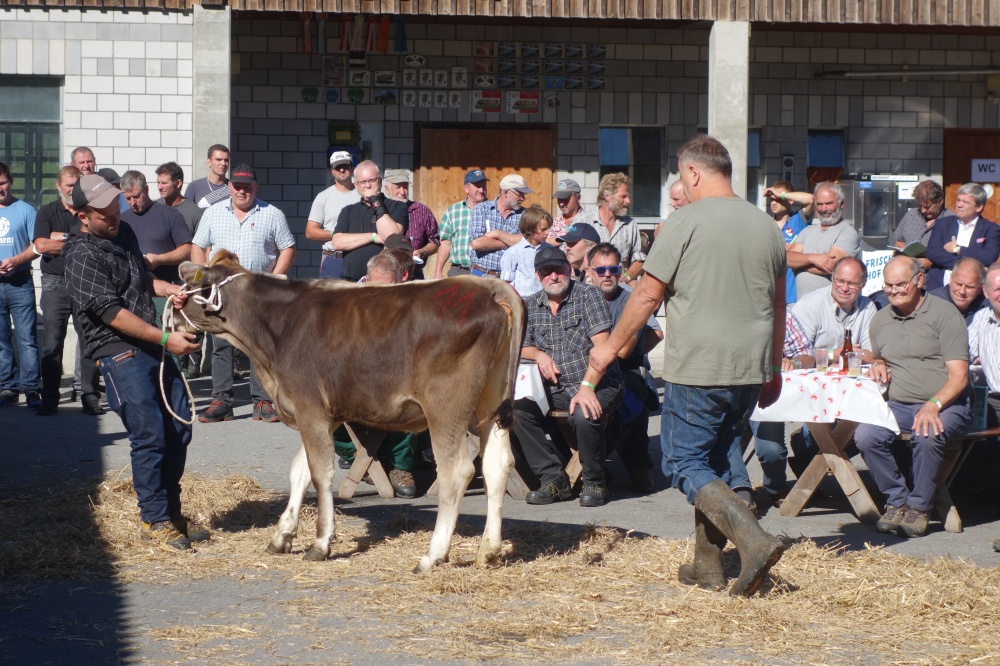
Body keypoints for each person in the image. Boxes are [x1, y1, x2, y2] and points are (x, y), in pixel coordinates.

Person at [589, 135, 786, 597]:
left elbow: (646, 294)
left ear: (693, 173)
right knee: (716, 462)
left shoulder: (683, 222)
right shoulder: (767, 227)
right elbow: (779, 304)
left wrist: (611, 347)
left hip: (700, 365)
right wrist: (773, 366)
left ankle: (752, 539)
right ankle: (707, 565)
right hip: (750, 367)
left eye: (681, 176)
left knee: (683, 462)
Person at [63, 173, 205, 550]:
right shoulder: (80, 254)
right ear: (82, 216)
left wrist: (168, 288)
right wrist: (166, 339)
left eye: (116, 209)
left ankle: (171, 513)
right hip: (118, 350)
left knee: (179, 427)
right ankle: (154, 520)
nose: (115, 218)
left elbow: (140, 276)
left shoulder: (122, 231)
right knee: (150, 434)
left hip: (149, 342)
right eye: (105, 215)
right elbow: (112, 314)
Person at [858, 256, 972, 538]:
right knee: (866, 435)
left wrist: (933, 405)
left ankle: (920, 508)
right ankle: (897, 500)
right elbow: (880, 356)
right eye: (888, 285)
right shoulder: (880, 319)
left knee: (927, 432)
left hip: (947, 404)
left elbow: (960, 376)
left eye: (901, 284)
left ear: (919, 280)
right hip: (899, 404)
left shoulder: (945, 315)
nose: (893, 290)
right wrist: (878, 364)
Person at [750, 257, 877, 503]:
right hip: (803, 389)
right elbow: (806, 354)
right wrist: (836, 354)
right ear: (832, 279)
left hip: (840, 386)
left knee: (856, 429)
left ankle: (807, 458)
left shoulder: (868, 307)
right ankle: (774, 484)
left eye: (852, 283)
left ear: (863, 284)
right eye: (839, 281)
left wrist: (829, 356)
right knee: (774, 448)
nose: (844, 287)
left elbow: (871, 354)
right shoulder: (810, 305)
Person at [513, 245, 622, 507]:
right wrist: (539, 355)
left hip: (598, 381)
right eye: (546, 271)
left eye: (558, 269)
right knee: (516, 411)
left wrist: (586, 387)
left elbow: (603, 348)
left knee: (584, 412)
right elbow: (522, 347)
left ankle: (595, 482)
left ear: (569, 270)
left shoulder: (589, 296)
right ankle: (553, 479)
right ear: (538, 275)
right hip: (554, 388)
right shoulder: (530, 304)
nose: (553, 276)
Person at [191, 164, 296, 423]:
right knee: (221, 347)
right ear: (229, 187)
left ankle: (262, 401)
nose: (242, 191)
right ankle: (221, 402)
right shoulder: (213, 213)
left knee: (260, 348)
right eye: (237, 186)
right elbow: (197, 246)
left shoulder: (272, 214)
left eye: (247, 186)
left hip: (258, 294)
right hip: (222, 294)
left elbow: (288, 247)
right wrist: (201, 281)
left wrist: (273, 279)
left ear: (255, 187)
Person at [587, 242, 663, 493]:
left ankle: (638, 467)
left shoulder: (631, 299)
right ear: (589, 272)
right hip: (586, 371)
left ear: (621, 271)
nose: (607, 275)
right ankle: (583, 466)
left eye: (613, 269)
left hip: (624, 369)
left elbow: (625, 350)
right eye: (601, 270)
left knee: (631, 400)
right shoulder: (579, 298)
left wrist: (636, 351)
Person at [32, 165, 105, 415]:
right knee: (52, 343)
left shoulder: (89, 211)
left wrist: (60, 238)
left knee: (88, 342)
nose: (72, 190)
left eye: (76, 185)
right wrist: (76, 241)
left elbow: (96, 243)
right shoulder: (47, 211)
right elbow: (42, 245)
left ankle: (89, 395)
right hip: (55, 282)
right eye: (68, 185)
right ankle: (50, 397)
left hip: (85, 281)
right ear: (58, 186)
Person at [120, 170, 193, 328]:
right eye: (128, 198)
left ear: (146, 189)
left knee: (168, 337)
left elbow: (187, 250)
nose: (133, 203)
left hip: (168, 293)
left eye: (136, 196)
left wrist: (159, 259)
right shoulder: (122, 221)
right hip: (135, 294)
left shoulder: (170, 215)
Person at [0, 162, 41, 409]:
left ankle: (32, 387)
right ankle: (8, 387)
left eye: (3, 183)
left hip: (20, 281)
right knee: (1, 340)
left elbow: (37, 246)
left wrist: (16, 261)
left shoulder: (26, 210)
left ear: (10, 182)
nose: (0, 189)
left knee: (27, 338)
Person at [330, 161, 408, 282]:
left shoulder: (397, 206)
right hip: (352, 281)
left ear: (380, 181)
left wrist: (374, 200)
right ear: (356, 185)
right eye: (363, 182)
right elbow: (337, 242)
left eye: (372, 180)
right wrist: (373, 237)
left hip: (384, 281)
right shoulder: (348, 211)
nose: (368, 186)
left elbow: (391, 236)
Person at [786, 181, 862, 299]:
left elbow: (831, 267)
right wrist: (813, 258)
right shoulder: (808, 231)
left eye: (829, 203)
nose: (824, 209)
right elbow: (787, 258)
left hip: (829, 306)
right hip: (802, 304)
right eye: (820, 204)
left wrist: (798, 264)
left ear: (841, 204)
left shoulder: (848, 233)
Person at [925, 183, 1000, 291]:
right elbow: (933, 252)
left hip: (972, 292)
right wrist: (968, 266)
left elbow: (988, 257)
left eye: (965, 202)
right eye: (958, 200)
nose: (959, 205)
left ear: (979, 207)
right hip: (939, 288)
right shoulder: (943, 224)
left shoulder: (991, 229)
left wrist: (957, 249)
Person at [577, 172, 645, 284]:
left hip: (619, 290)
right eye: (623, 197)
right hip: (589, 289)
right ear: (607, 196)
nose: (628, 201)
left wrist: (625, 278)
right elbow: (567, 254)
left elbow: (640, 260)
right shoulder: (583, 221)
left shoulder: (630, 225)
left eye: (628, 197)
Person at [304, 150, 361, 278]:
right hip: (333, 259)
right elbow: (310, 232)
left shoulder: (362, 194)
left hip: (358, 257)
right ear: (332, 171)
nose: (342, 170)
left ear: (352, 168)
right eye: (337, 167)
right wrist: (336, 235)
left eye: (345, 166)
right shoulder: (323, 197)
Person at [468, 174, 531, 277]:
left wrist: (498, 234)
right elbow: (476, 243)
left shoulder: (525, 215)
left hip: (510, 278)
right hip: (481, 274)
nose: (523, 198)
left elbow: (528, 240)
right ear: (506, 193)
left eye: (524, 194)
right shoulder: (482, 209)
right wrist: (509, 242)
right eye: (520, 194)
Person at [764, 181, 815, 306]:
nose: (774, 202)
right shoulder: (766, 225)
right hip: (770, 297)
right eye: (772, 199)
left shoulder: (799, 219)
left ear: (790, 200)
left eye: (778, 199)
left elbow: (811, 199)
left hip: (793, 297)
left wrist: (782, 195)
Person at [382, 169, 440, 278]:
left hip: (414, 274)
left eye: (405, 187)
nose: (402, 192)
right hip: (384, 274)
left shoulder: (421, 211)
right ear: (387, 189)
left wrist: (422, 252)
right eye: (397, 187)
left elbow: (434, 241)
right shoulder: (381, 212)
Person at [890, 180, 955, 271]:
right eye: (920, 206)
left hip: (935, 275)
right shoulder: (911, 215)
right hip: (908, 273)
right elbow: (898, 241)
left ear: (940, 201)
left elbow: (954, 256)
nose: (923, 210)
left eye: (927, 207)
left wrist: (931, 263)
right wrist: (899, 247)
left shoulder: (952, 221)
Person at [435, 169, 488, 278]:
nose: (481, 190)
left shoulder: (494, 210)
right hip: (459, 272)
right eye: (477, 186)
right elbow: (445, 243)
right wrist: (438, 272)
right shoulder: (453, 211)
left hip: (485, 273)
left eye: (484, 186)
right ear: (466, 188)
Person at [500, 204, 552, 297]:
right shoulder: (513, 252)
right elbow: (505, 284)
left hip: (545, 299)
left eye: (548, 228)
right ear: (529, 229)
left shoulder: (550, 250)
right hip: (523, 300)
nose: (547, 233)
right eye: (543, 229)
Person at [928, 256, 987, 325]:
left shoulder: (988, 307)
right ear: (950, 280)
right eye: (959, 284)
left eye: (969, 287)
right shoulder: (931, 303)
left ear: (980, 288)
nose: (962, 291)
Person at [154, 162, 205, 236]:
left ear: (178, 183)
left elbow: (201, 242)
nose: (160, 187)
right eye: (158, 182)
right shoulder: (153, 208)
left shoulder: (195, 212)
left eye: (164, 183)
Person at [184, 144, 232, 209]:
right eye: (218, 159)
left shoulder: (234, 188)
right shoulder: (194, 187)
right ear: (209, 162)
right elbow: (186, 212)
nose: (223, 163)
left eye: (226, 160)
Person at [550, 178, 585, 242]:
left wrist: (558, 241)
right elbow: (547, 242)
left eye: (565, 199)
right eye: (559, 199)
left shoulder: (587, 220)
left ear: (578, 198)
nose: (561, 204)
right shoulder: (554, 222)